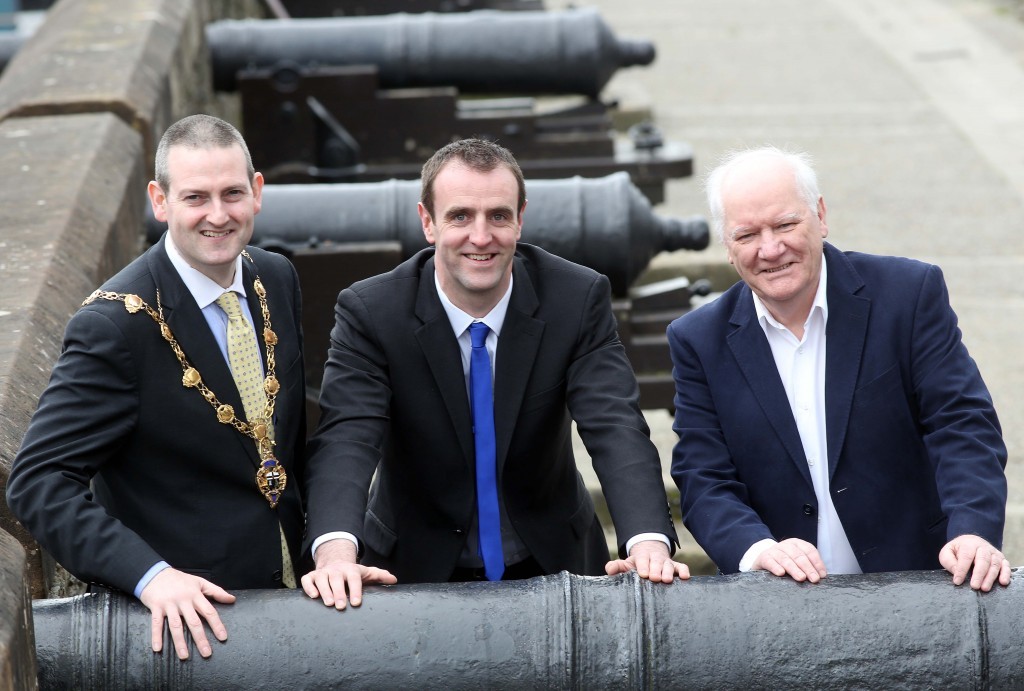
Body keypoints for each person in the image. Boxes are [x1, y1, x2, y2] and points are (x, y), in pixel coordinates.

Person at [5, 114, 394, 661]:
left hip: (300, 598)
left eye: (233, 193)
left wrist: (330, 543)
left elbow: (283, 444)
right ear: (160, 202)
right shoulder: (115, 327)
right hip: (196, 629)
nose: (218, 215)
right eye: (195, 198)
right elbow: (39, 482)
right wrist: (150, 577)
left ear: (257, 192)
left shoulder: (275, 276)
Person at [300, 138, 688, 607]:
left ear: (520, 219)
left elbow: (615, 426)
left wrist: (646, 542)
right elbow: (348, 436)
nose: (481, 237)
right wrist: (336, 552)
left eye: (498, 216)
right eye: (460, 216)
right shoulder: (372, 313)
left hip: (552, 557)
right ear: (428, 222)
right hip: (410, 568)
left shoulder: (577, 299)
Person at [667, 145, 1009, 591]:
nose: (770, 249)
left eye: (786, 224)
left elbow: (961, 424)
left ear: (821, 216)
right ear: (727, 246)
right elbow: (703, 476)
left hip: (927, 585)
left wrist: (973, 529)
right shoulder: (697, 339)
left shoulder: (908, 295)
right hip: (786, 603)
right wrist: (757, 550)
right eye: (747, 234)